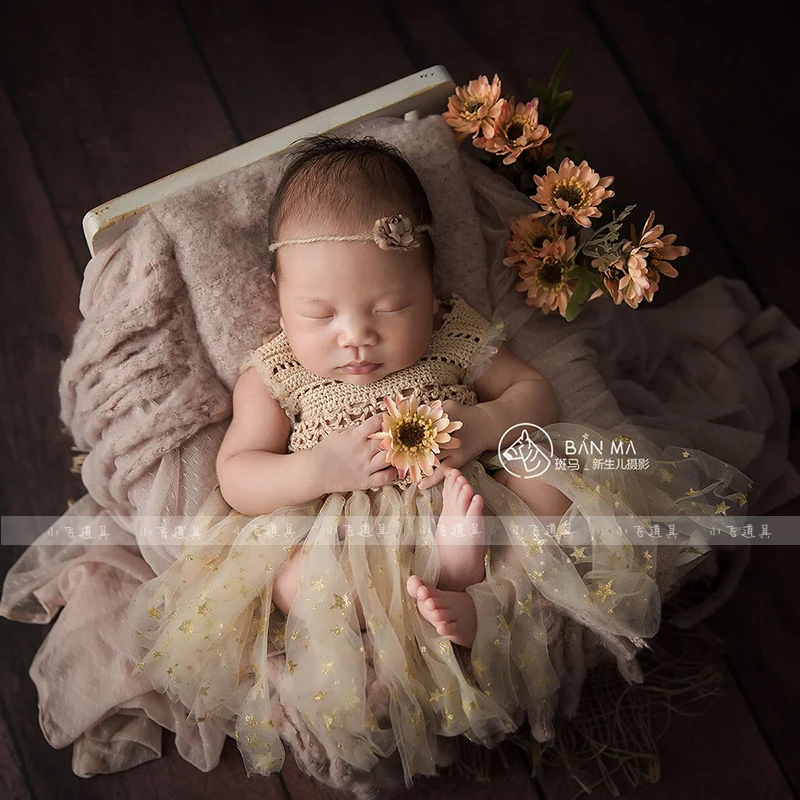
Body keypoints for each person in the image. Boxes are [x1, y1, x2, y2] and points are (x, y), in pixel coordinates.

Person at [127, 134, 752, 785]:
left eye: (389, 307)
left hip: (468, 503)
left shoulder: (453, 334)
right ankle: (387, 638)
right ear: (277, 293)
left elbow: (534, 393)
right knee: (286, 576)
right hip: (343, 535)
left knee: (549, 479)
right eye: (319, 313)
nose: (356, 335)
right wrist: (316, 471)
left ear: (429, 287)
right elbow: (237, 474)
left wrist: (483, 424)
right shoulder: (276, 372)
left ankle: (480, 590)